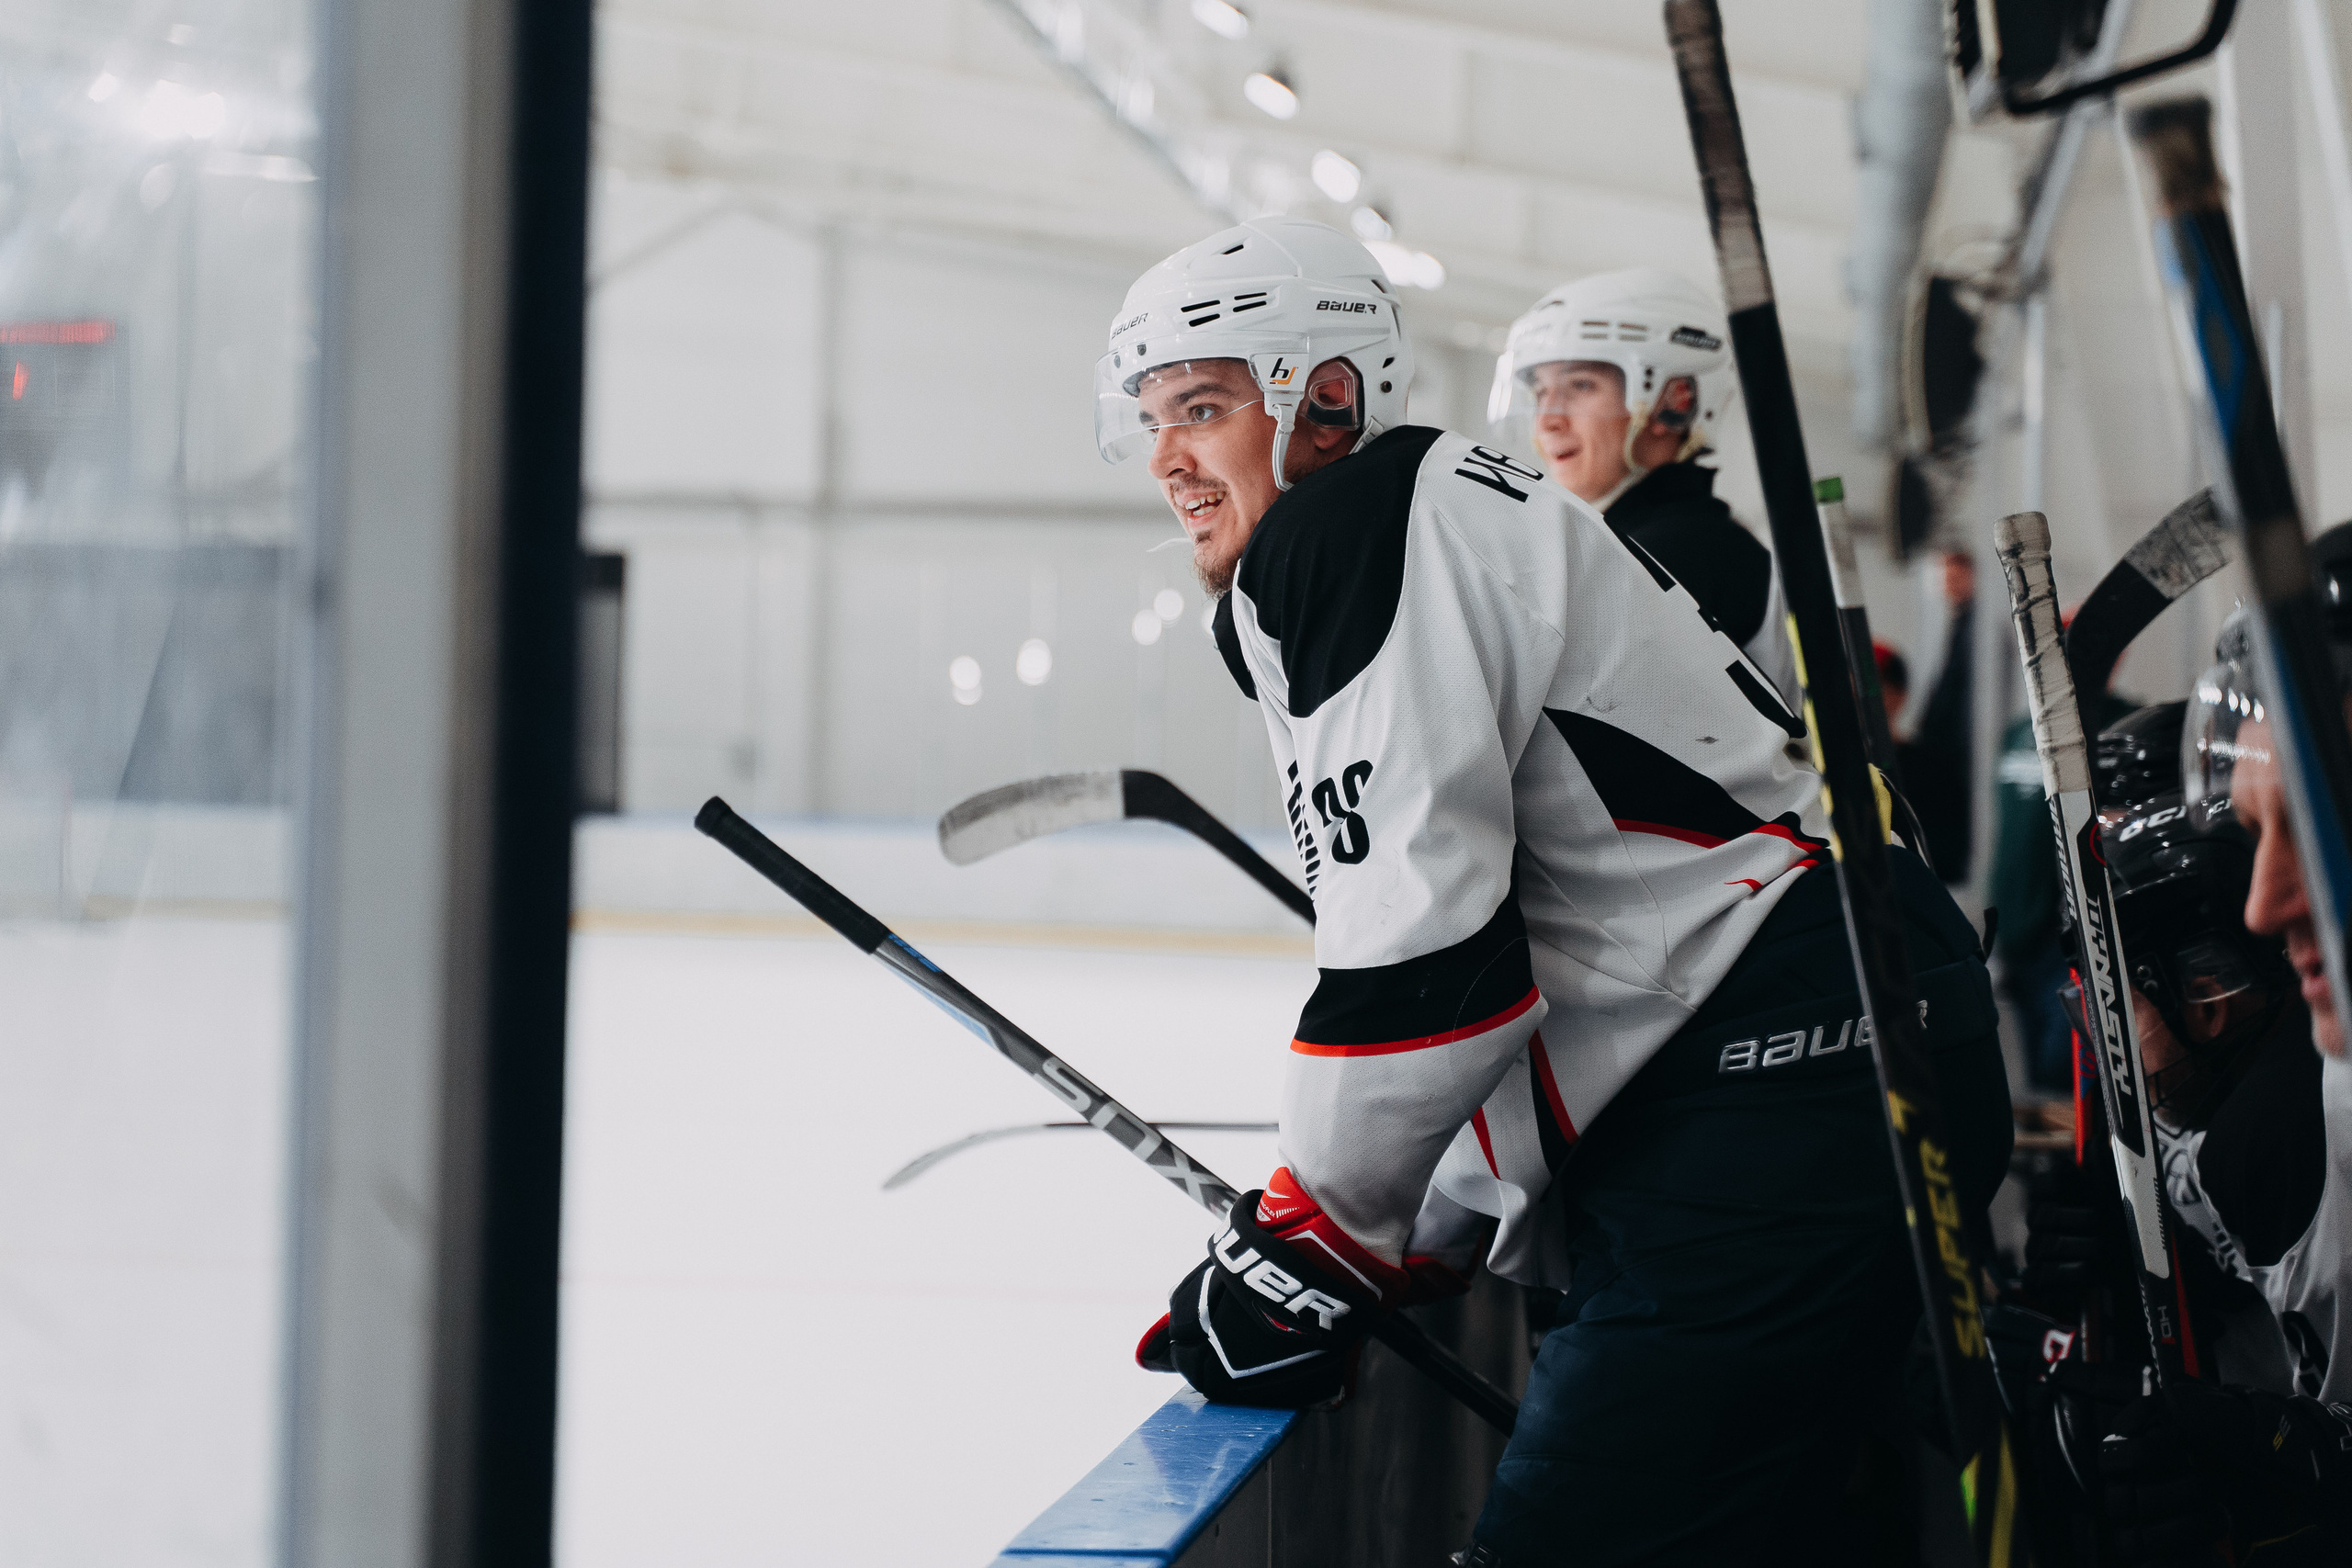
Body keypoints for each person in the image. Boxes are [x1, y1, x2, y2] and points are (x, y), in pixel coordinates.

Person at [1097, 215, 2013, 1562]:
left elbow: (1430, 968)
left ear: (1326, 398)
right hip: (1817, 1051)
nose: (1170, 455)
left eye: (1205, 405)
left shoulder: (1354, 531)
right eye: (1154, 417)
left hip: (1775, 1099)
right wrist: (1421, 1219)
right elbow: (1542, 930)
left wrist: (1331, 1225)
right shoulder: (1429, 509)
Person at [1487, 267, 1795, 705]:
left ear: (1676, 400)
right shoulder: (1645, 540)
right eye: (1540, 392)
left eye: (1581, 385)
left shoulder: (1670, 555)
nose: (1549, 419)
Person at [1988, 677, 2141, 1097]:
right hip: (2014, 926)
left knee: (2070, 1070)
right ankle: (2059, 1164)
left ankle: (2089, 1162)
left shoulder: (2115, 723)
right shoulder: (2018, 731)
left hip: (2067, 933)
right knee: (2037, 1074)